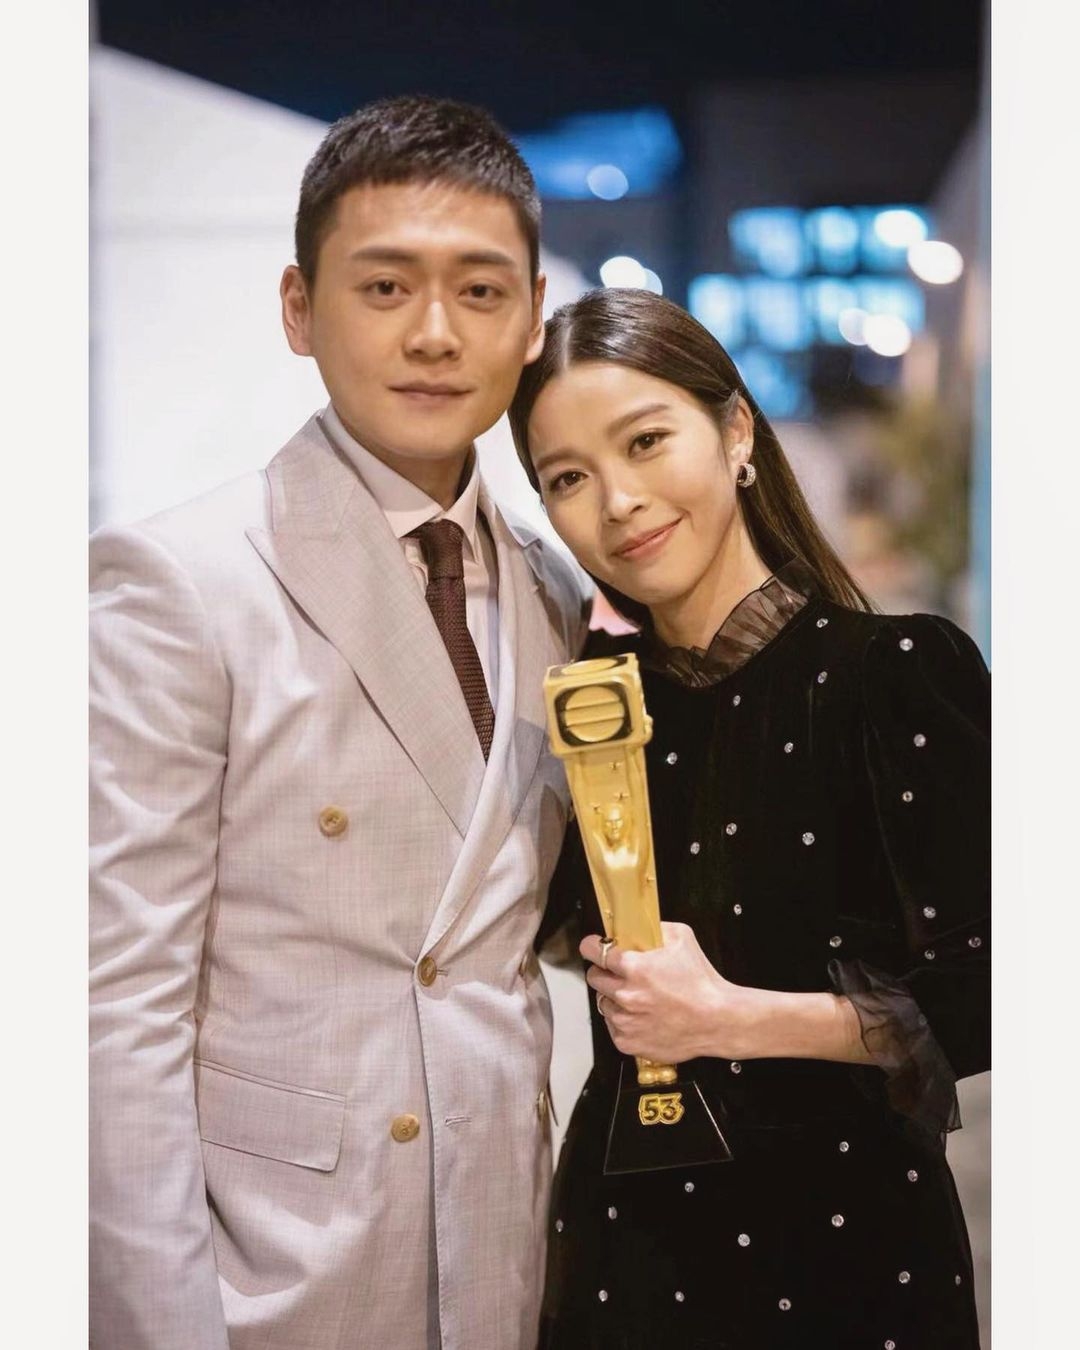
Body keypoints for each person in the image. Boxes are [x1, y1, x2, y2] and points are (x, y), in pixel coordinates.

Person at [89, 95, 590, 1350]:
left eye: (481, 291)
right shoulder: (181, 580)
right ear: (299, 309)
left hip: (501, 1248)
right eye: (385, 287)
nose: (436, 333)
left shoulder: (554, 588)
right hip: (279, 1272)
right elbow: (113, 1013)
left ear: (533, 317)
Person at [509, 287, 989, 1349]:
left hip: (847, 1253)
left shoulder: (894, 674)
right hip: (620, 1251)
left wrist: (732, 1018)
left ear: (735, 434)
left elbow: (992, 994)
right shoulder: (589, 699)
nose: (618, 501)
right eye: (567, 478)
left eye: (645, 441)